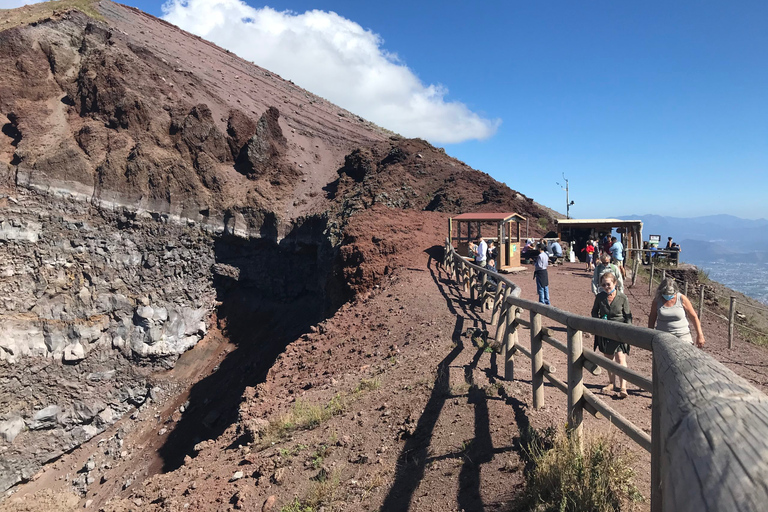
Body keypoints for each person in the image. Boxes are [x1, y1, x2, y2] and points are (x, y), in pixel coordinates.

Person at [591, 272, 632, 398]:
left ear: (615, 283)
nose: (606, 287)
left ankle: (623, 387)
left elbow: (628, 316)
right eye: (603, 284)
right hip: (605, 331)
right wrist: (598, 322)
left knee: (620, 358)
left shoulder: (622, 298)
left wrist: (628, 332)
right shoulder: (600, 297)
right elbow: (594, 312)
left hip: (620, 332)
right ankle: (611, 383)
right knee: (608, 358)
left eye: (608, 284)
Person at [648, 277, 705, 348]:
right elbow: (652, 318)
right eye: (666, 294)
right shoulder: (657, 300)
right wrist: (650, 334)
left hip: (682, 335)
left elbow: (694, 317)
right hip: (663, 335)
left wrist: (700, 335)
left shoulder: (682, 298)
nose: (668, 296)